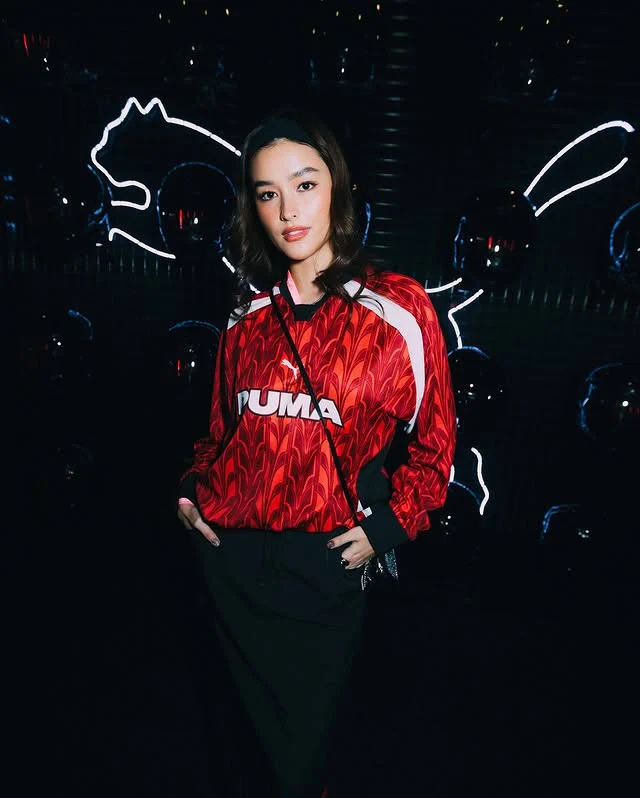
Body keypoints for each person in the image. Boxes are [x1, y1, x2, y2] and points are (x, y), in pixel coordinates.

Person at [176, 108, 457, 798]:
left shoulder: (399, 310)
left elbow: (436, 449)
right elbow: (218, 437)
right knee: (241, 754)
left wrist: (389, 527)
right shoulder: (245, 317)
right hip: (232, 562)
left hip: (326, 564)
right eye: (267, 193)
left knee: (305, 757)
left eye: (304, 184)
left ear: (338, 188)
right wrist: (190, 490)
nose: (287, 210)